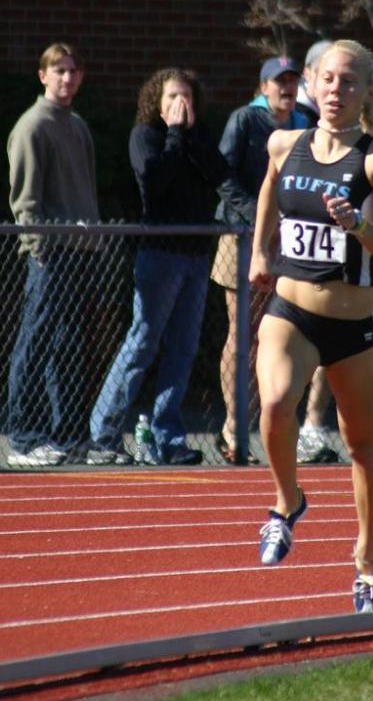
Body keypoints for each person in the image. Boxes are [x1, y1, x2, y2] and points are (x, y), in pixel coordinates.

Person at [249, 39, 373, 613]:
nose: (336, 90)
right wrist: (260, 251)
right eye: (328, 79)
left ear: (366, 93)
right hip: (290, 309)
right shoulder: (284, 141)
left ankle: (367, 560)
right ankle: (287, 501)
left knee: (363, 445)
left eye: (349, 82)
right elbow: (270, 182)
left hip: (353, 324)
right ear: (312, 85)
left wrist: (359, 224)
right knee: (273, 406)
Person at [87, 67, 229, 466]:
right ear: (156, 101)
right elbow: (154, 181)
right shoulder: (146, 136)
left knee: (183, 349)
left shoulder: (197, 139)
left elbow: (220, 175)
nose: (179, 105)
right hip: (160, 256)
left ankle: (166, 436)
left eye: (186, 97)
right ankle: (105, 432)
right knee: (143, 342)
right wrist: (174, 134)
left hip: (195, 256)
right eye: (171, 98)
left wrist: (191, 137)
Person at [211, 55, 308, 464]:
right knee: (242, 333)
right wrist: (258, 215)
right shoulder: (245, 120)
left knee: (281, 336)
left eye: (292, 80)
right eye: (277, 81)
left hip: (292, 243)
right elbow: (221, 173)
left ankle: (276, 426)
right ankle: (234, 428)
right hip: (243, 237)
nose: (286, 87)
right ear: (262, 86)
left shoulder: (306, 122)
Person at [7, 42, 100, 467]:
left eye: (74, 71)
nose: (67, 78)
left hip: (79, 251)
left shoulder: (77, 125)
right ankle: (24, 438)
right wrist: (38, 249)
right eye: (59, 70)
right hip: (50, 253)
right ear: (42, 75)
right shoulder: (33, 125)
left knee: (67, 348)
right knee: (36, 341)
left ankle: (66, 435)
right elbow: (25, 199)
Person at [294, 38, 341, 466]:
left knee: (327, 349)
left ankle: (311, 425)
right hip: (285, 263)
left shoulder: (361, 142)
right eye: (326, 77)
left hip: (334, 267)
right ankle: (241, 426)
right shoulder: (286, 130)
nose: (335, 89)